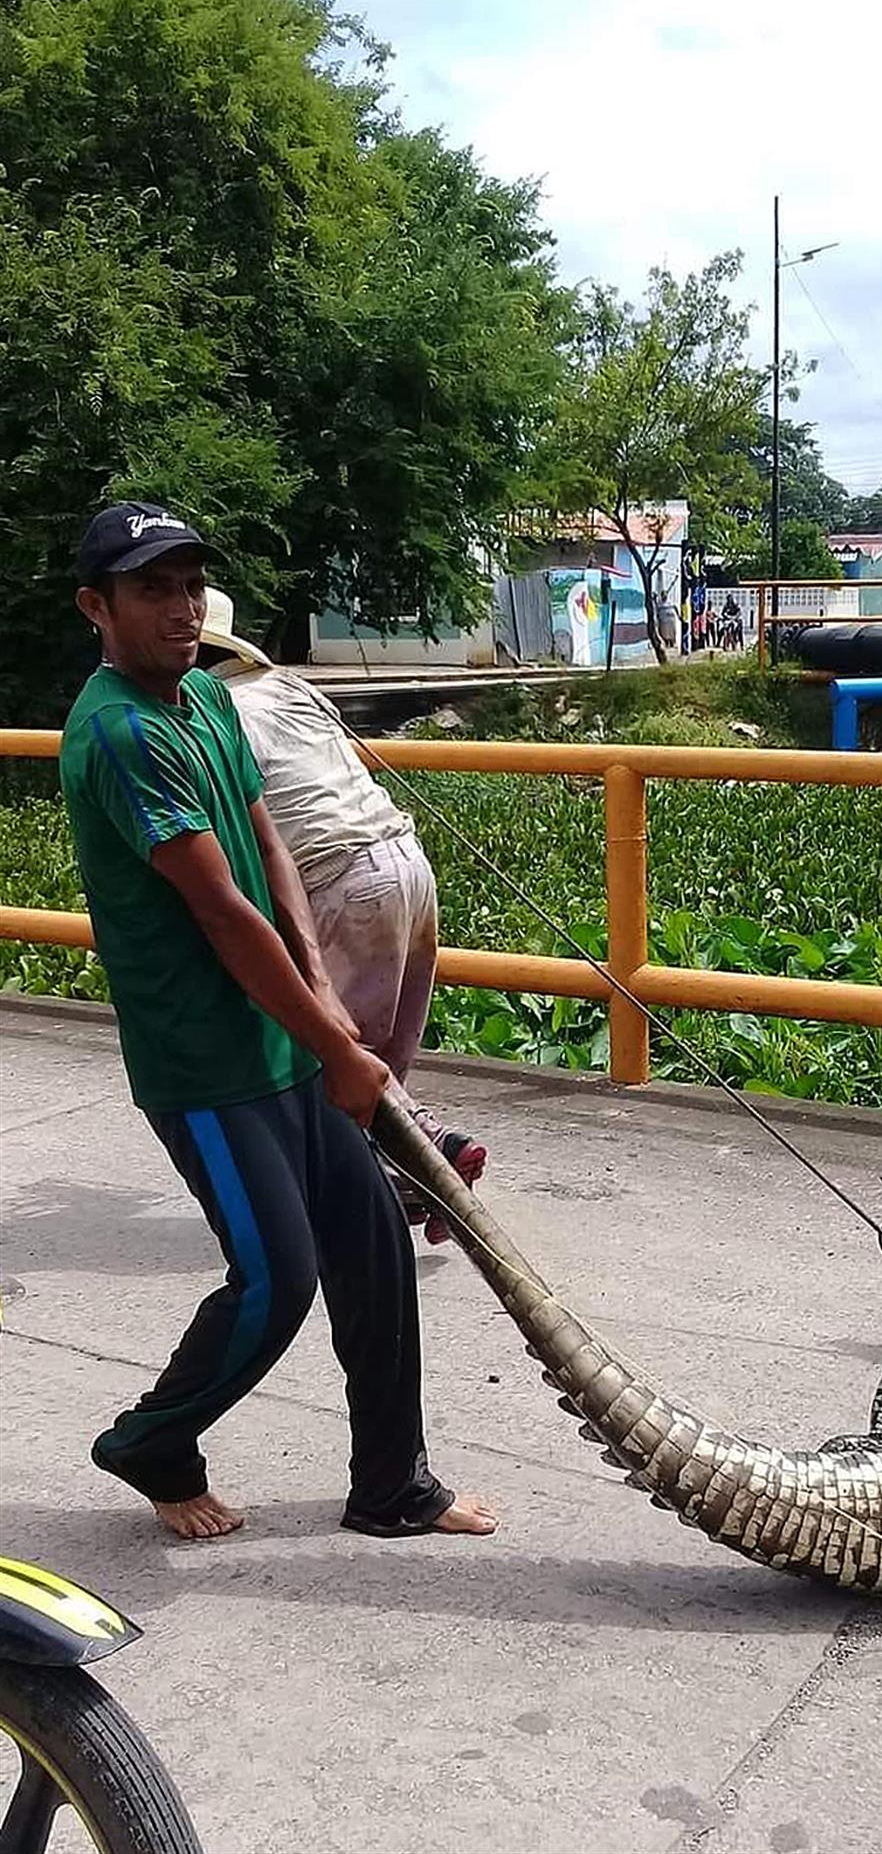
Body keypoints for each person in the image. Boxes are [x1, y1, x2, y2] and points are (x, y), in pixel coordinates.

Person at [60, 500, 498, 1544]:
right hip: (205, 1062)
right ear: (97, 606)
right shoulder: (119, 734)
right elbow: (216, 909)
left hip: (283, 1042)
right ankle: (152, 1440)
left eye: (185, 586)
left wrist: (324, 1011)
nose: (177, 607)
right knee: (275, 1280)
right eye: (150, 589)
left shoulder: (208, 700)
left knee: (374, 1253)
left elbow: (267, 855)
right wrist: (330, 1044)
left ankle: (392, 1486)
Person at [195, 591, 483, 1238]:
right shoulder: (289, 688)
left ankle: (426, 1146)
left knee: (330, 1059)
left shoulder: (208, 717)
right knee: (377, 1061)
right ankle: (405, 1182)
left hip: (337, 882)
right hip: (405, 863)